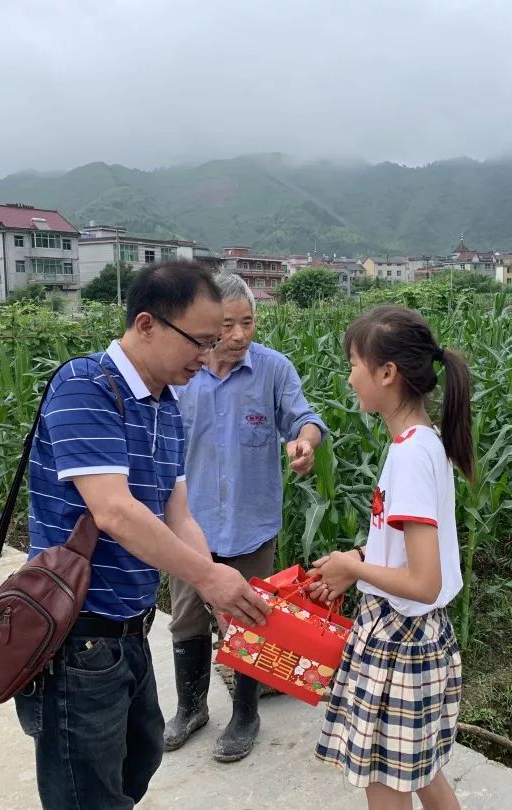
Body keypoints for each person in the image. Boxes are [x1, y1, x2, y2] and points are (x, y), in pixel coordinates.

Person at [13, 262, 270, 810]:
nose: (206, 358)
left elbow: (180, 516)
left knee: (139, 761)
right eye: (200, 341)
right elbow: (115, 512)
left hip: (129, 632)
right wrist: (209, 577)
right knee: (87, 794)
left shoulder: (166, 407)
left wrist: (218, 595)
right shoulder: (85, 387)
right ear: (148, 324)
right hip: (77, 633)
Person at [307, 305, 473, 810]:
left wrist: (354, 570)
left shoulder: (410, 455)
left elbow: (424, 581)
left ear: (386, 373)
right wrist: (355, 559)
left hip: (402, 640)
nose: (350, 376)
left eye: (355, 363)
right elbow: (404, 549)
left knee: (385, 782)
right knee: (423, 773)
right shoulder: (419, 444)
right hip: (410, 633)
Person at [166, 272, 328, 762]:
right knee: (186, 620)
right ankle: (190, 707)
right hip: (189, 530)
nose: (238, 336)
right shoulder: (182, 375)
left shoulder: (273, 370)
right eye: (228, 325)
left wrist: (305, 443)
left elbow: (306, 418)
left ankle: (245, 715)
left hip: (251, 525)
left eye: (248, 323)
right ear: (209, 324)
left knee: (253, 623)